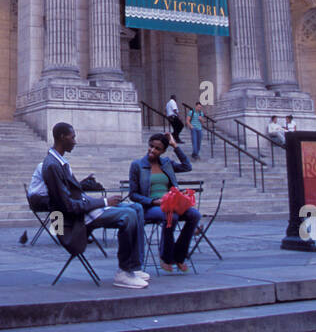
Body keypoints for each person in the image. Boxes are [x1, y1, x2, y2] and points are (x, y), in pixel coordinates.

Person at [41, 123, 149, 288]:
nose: (75, 141)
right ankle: (124, 271)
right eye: (72, 137)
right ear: (62, 137)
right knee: (129, 215)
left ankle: (134, 265)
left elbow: (74, 196)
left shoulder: (59, 161)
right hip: (75, 219)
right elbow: (68, 206)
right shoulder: (52, 165)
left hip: (84, 209)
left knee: (137, 208)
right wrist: (104, 202)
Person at [128, 132, 201, 272]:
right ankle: (166, 257)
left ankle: (179, 256)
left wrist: (175, 145)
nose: (152, 150)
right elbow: (133, 194)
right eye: (151, 146)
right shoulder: (137, 165)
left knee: (195, 215)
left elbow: (187, 166)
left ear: (163, 151)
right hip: (151, 207)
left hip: (172, 203)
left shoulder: (167, 163)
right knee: (171, 217)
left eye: (157, 149)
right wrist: (153, 201)